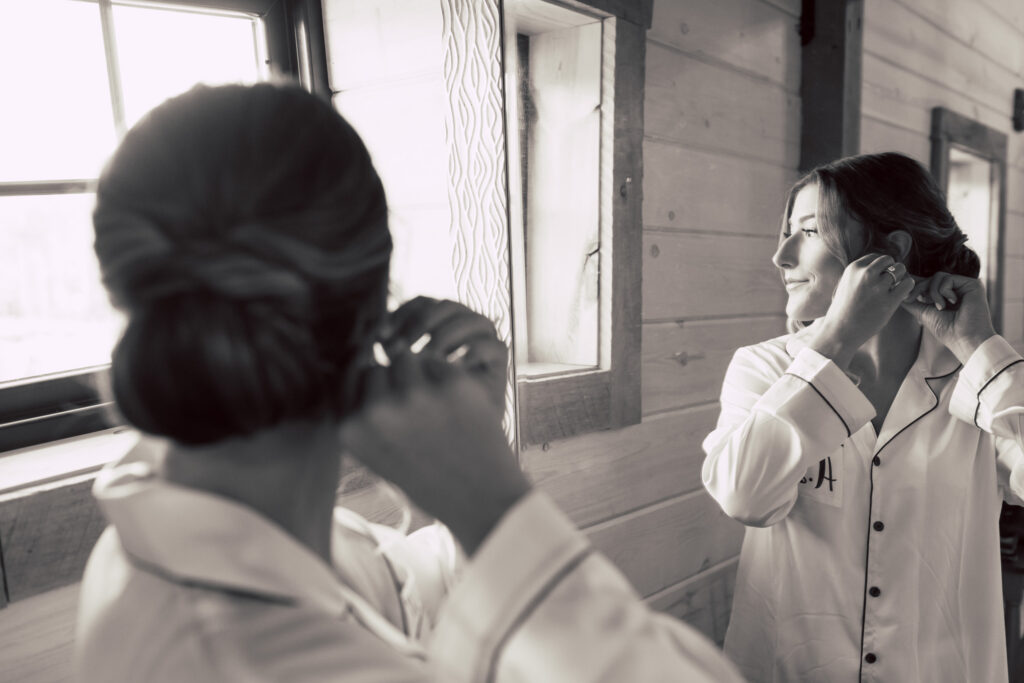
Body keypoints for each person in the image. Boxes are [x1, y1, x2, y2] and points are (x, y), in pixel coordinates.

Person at [73, 82, 744, 682]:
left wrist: (439, 494)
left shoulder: (184, 523)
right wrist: (496, 507)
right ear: (375, 308)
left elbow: (404, 602)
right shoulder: (255, 653)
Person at [702, 151, 1024, 682]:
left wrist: (979, 345)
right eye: (787, 232)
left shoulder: (979, 379)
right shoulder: (763, 368)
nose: (781, 255)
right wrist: (835, 340)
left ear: (890, 252)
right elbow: (745, 496)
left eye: (807, 231)